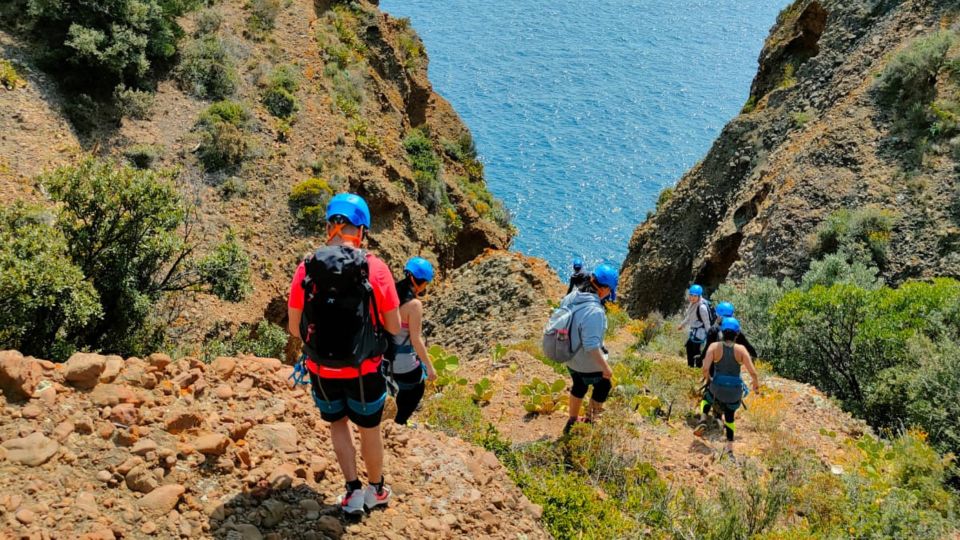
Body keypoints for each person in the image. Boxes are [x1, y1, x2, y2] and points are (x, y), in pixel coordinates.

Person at [287, 193, 402, 516]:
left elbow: (295, 328)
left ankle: (352, 491)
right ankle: (376, 490)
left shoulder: (307, 267)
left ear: (329, 226)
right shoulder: (375, 269)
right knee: (369, 429)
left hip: (321, 368)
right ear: (361, 231)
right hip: (364, 370)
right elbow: (393, 326)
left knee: (337, 423)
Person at [561, 263, 618, 434]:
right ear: (605, 289)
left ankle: (571, 420)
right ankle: (590, 422)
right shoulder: (595, 311)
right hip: (585, 362)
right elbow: (592, 347)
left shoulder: (572, 296)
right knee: (603, 385)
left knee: (579, 385)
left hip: (569, 357)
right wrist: (606, 369)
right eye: (610, 290)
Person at [694, 318, 760, 458]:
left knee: (706, 398)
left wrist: (709, 380)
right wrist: (755, 386)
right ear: (737, 334)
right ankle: (729, 449)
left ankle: (703, 419)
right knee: (730, 416)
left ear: (722, 332)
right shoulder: (741, 349)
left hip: (717, 389)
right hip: (734, 393)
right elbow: (753, 372)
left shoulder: (714, 347)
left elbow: (705, 368)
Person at [384, 256, 438, 425]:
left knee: (393, 391)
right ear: (420, 282)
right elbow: (416, 339)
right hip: (403, 363)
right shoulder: (414, 305)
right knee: (415, 391)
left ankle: (386, 418)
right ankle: (398, 424)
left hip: (382, 357)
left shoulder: (389, 292)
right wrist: (430, 368)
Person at [701, 302, 758, 375]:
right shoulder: (736, 330)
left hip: (715, 369)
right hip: (733, 370)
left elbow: (707, 349)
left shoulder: (713, 330)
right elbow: (748, 347)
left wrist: (700, 358)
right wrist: (754, 357)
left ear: (718, 315)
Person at [676, 284, 711, 368]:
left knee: (695, 351)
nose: (692, 297)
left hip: (700, 332)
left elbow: (707, 323)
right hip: (694, 331)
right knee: (689, 347)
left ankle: (697, 368)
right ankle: (691, 367)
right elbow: (689, 317)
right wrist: (682, 325)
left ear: (699, 296)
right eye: (691, 295)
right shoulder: (693, 304)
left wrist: (710, 335)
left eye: (695, 296)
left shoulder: (702, 307)